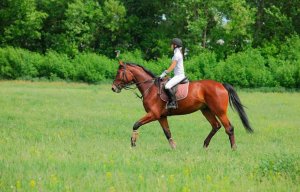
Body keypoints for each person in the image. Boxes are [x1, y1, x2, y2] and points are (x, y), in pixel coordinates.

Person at [159, 38, 186, 109]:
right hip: (177, 75)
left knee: (167, 86)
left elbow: (172, 66)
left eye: (171, 44)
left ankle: (173, 102)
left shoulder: (177, 54)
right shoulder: (177, 53)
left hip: (179, 76)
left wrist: (164, 73)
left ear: (175, 45)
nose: (170, 46)